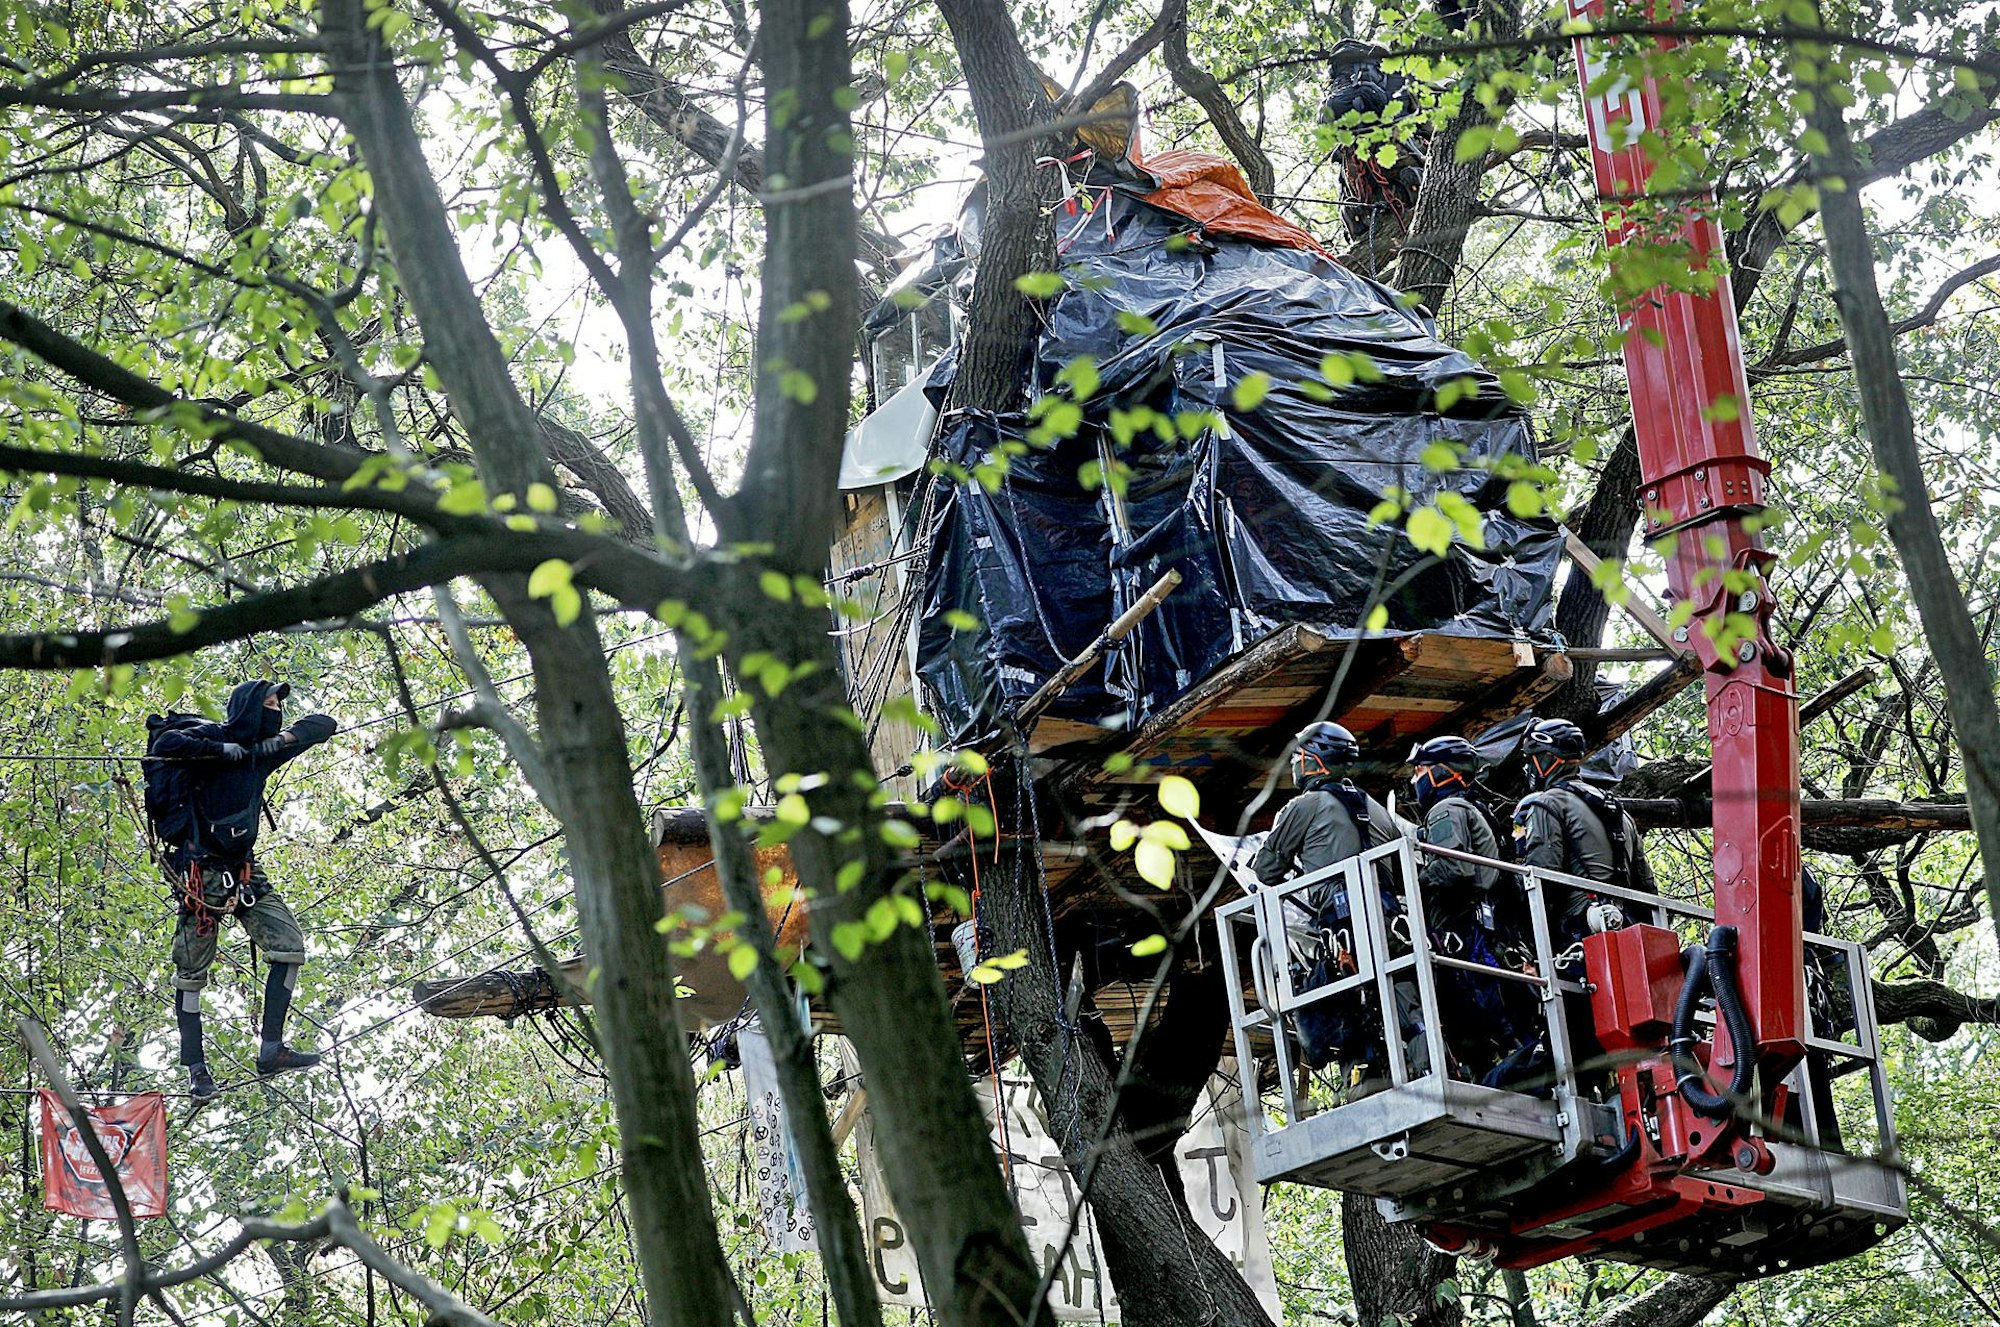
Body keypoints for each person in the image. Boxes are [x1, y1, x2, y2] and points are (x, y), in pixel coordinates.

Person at [150, 681, 337, 1102]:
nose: (273, 710)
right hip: (201, 874)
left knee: (289, 946)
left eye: (276, 704)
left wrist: (282, 740)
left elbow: (324, 724)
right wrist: (218, 750)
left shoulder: (262, 753)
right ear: (247, 707)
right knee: (191, 975)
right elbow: (169, 742)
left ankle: (271, 1048)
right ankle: (197, 1071)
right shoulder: (212, 738)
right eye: (267, 703)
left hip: (245, 873)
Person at [1253, 721, 1421, 1090]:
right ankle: (1420, 1065)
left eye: (1300, 755)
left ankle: (1364, 1085)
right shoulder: (1375, 808)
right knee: (1400, 1000)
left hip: (1342, 923)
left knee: (1349, 1007)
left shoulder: (1306, 805)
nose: (1295, 761)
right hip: (1392, 919)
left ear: (1317, 761)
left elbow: (1266, 869)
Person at [1407, 735, 1532, 1076]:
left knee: (1478, 1011)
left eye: (1420, 770)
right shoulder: (1474, 808)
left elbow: (1454, 866)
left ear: (1441, 772)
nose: (1415, 779)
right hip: (1485, 929)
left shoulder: (1446, 809)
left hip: (1466, 932)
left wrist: (1412, 880)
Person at [1511, 717, 1655, 947]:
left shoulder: (1547, 803)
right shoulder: (1617, 809)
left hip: (1578, 932)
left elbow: (1544, 878)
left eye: (1533, 758)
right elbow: (1647, 886)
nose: (1530, 767)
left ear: (1547, 758)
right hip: (1626, 930)